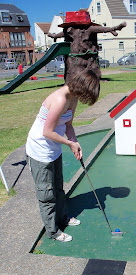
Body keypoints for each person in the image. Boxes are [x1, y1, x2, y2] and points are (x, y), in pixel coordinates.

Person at [26, 69, 100, 242]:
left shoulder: (72, 98)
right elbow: (47, 132)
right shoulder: (59, 99)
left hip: (53, 150)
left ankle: (63, 217)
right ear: (81, 87)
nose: (84, 99)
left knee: (58, 188)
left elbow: (68, 126)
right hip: (40, 150)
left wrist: (75, 142)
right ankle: (53, 231)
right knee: (47, 194)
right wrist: (69, 143)